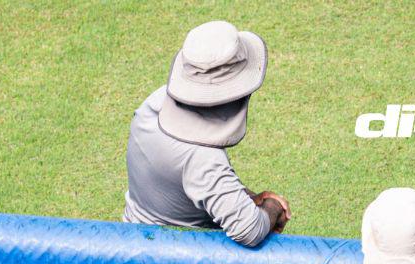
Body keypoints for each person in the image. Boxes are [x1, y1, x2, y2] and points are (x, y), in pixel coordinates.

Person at [123, 20, 290, 246]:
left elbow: (185, 181)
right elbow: (249, 230)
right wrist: (274, 207)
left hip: (133, 237)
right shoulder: (203, 160)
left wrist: (247, 198)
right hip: (173, 261)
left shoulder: (153, 104)